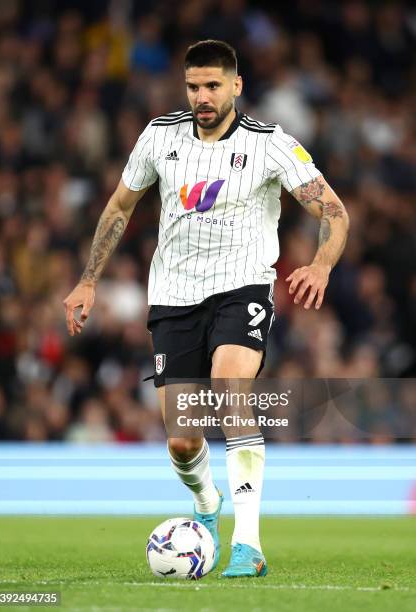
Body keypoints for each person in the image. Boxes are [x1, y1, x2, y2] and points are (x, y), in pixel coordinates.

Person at [64, 39, 349, 577]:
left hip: (241, 288)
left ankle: (249, 545)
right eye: (194, 86)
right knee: (181, 438)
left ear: (236, 86)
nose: (202, 96)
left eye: (213, 85)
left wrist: (322, 264)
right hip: (172, 295)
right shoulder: (159, 137)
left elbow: (334, 212)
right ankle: (205, 504)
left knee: (231, 390)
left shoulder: (269, 145)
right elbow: (119, 207)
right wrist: (87, 280)